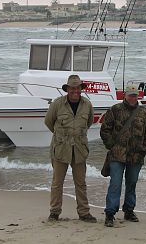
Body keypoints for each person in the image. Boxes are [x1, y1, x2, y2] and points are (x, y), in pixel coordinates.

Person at [100, 84, 146, 227]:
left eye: (135, 95)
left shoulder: (144, 112)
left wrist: (144, 149)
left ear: (138, 96)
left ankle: (129, 211)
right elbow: (105, 129)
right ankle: (110, 213)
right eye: (130, 95)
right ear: (125, 95)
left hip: (136, 156)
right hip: (117, 155)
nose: (132, 97)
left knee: (131, 184)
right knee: (115, 184)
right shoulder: (115, 110)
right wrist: (112, 146)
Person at [45, 75, 97, 223]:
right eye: (72, 88)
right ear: (67, 89)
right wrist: (62, 137)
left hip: (79, 149)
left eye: (77, 88)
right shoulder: (57, 104)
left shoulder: (87, 104)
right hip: (61, 149)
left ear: (81, 89)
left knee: (80, 183)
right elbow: (49, 122)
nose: (75, 90)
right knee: (57, 183)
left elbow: (89, 122)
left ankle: (84, 213)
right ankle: (54, 213)